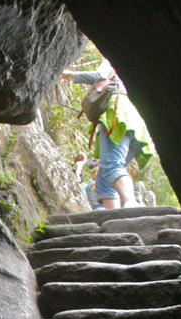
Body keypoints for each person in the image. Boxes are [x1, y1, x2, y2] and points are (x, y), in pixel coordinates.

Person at [62, 58, 156, 209]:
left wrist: (70, 75)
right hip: (134, 121)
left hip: (117, 115)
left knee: (112, 167)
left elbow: (101, 75)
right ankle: (115, 215)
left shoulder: (112, 57)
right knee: (103, 179)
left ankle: (131, 203)